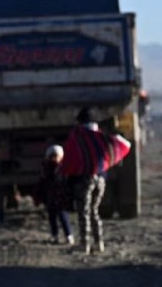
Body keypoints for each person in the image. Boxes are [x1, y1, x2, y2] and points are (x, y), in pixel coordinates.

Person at [60, 107, 131, 255]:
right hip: (101, 179)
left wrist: (63, 172)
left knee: (83, 212)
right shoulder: (102, 137)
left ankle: (84, 244)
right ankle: (99, 243)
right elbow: (125, 145)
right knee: (94, 211)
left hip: (84, 180)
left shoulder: (78, 136)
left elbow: (70, 158)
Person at [35, 144, 74, 245]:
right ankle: (55, 235)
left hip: (59, 198)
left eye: (56, 156)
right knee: (52, 217)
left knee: (62, 216)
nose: (54, 159)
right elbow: (42, 184)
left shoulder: (61, 169)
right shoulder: (48, 169)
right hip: (52, 198)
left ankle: (68, 235)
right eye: (52, 156)